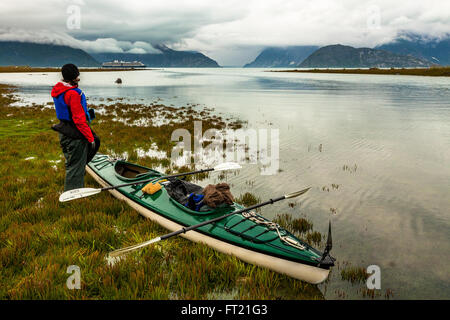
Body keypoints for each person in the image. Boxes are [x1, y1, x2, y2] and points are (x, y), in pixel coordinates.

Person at [50, 63, 100, 191]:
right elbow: (79, 120)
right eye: (77, 75)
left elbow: (69, 111)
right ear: (75, 77)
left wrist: (87, 114)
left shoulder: (59, 89)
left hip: (64, 131)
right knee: (75, 165)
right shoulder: (73, 94)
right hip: (75, 133)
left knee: (72, 162)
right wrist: (90, 138)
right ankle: (74, 196)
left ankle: (77, 173)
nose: (79, 77)